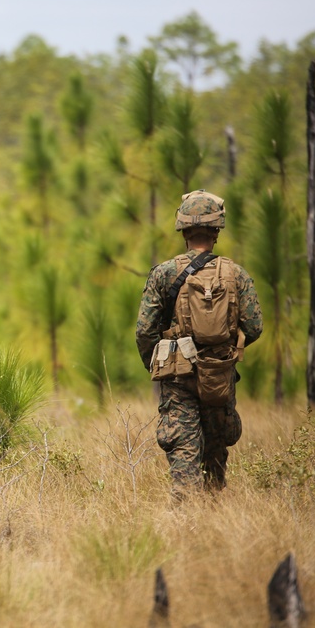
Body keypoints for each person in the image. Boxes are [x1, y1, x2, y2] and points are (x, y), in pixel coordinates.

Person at [135, 190, 262, 495]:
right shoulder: (236, 274)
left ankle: (185, 521)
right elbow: (254, 327)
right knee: (215, 457)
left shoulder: (165, 274)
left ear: (184, 231)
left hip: (179, 377)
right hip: (219, 376)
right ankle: (212, 521)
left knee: (184, 456)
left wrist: (158, 364)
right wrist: (225, 351)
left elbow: (144, 330)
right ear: (217, 232)